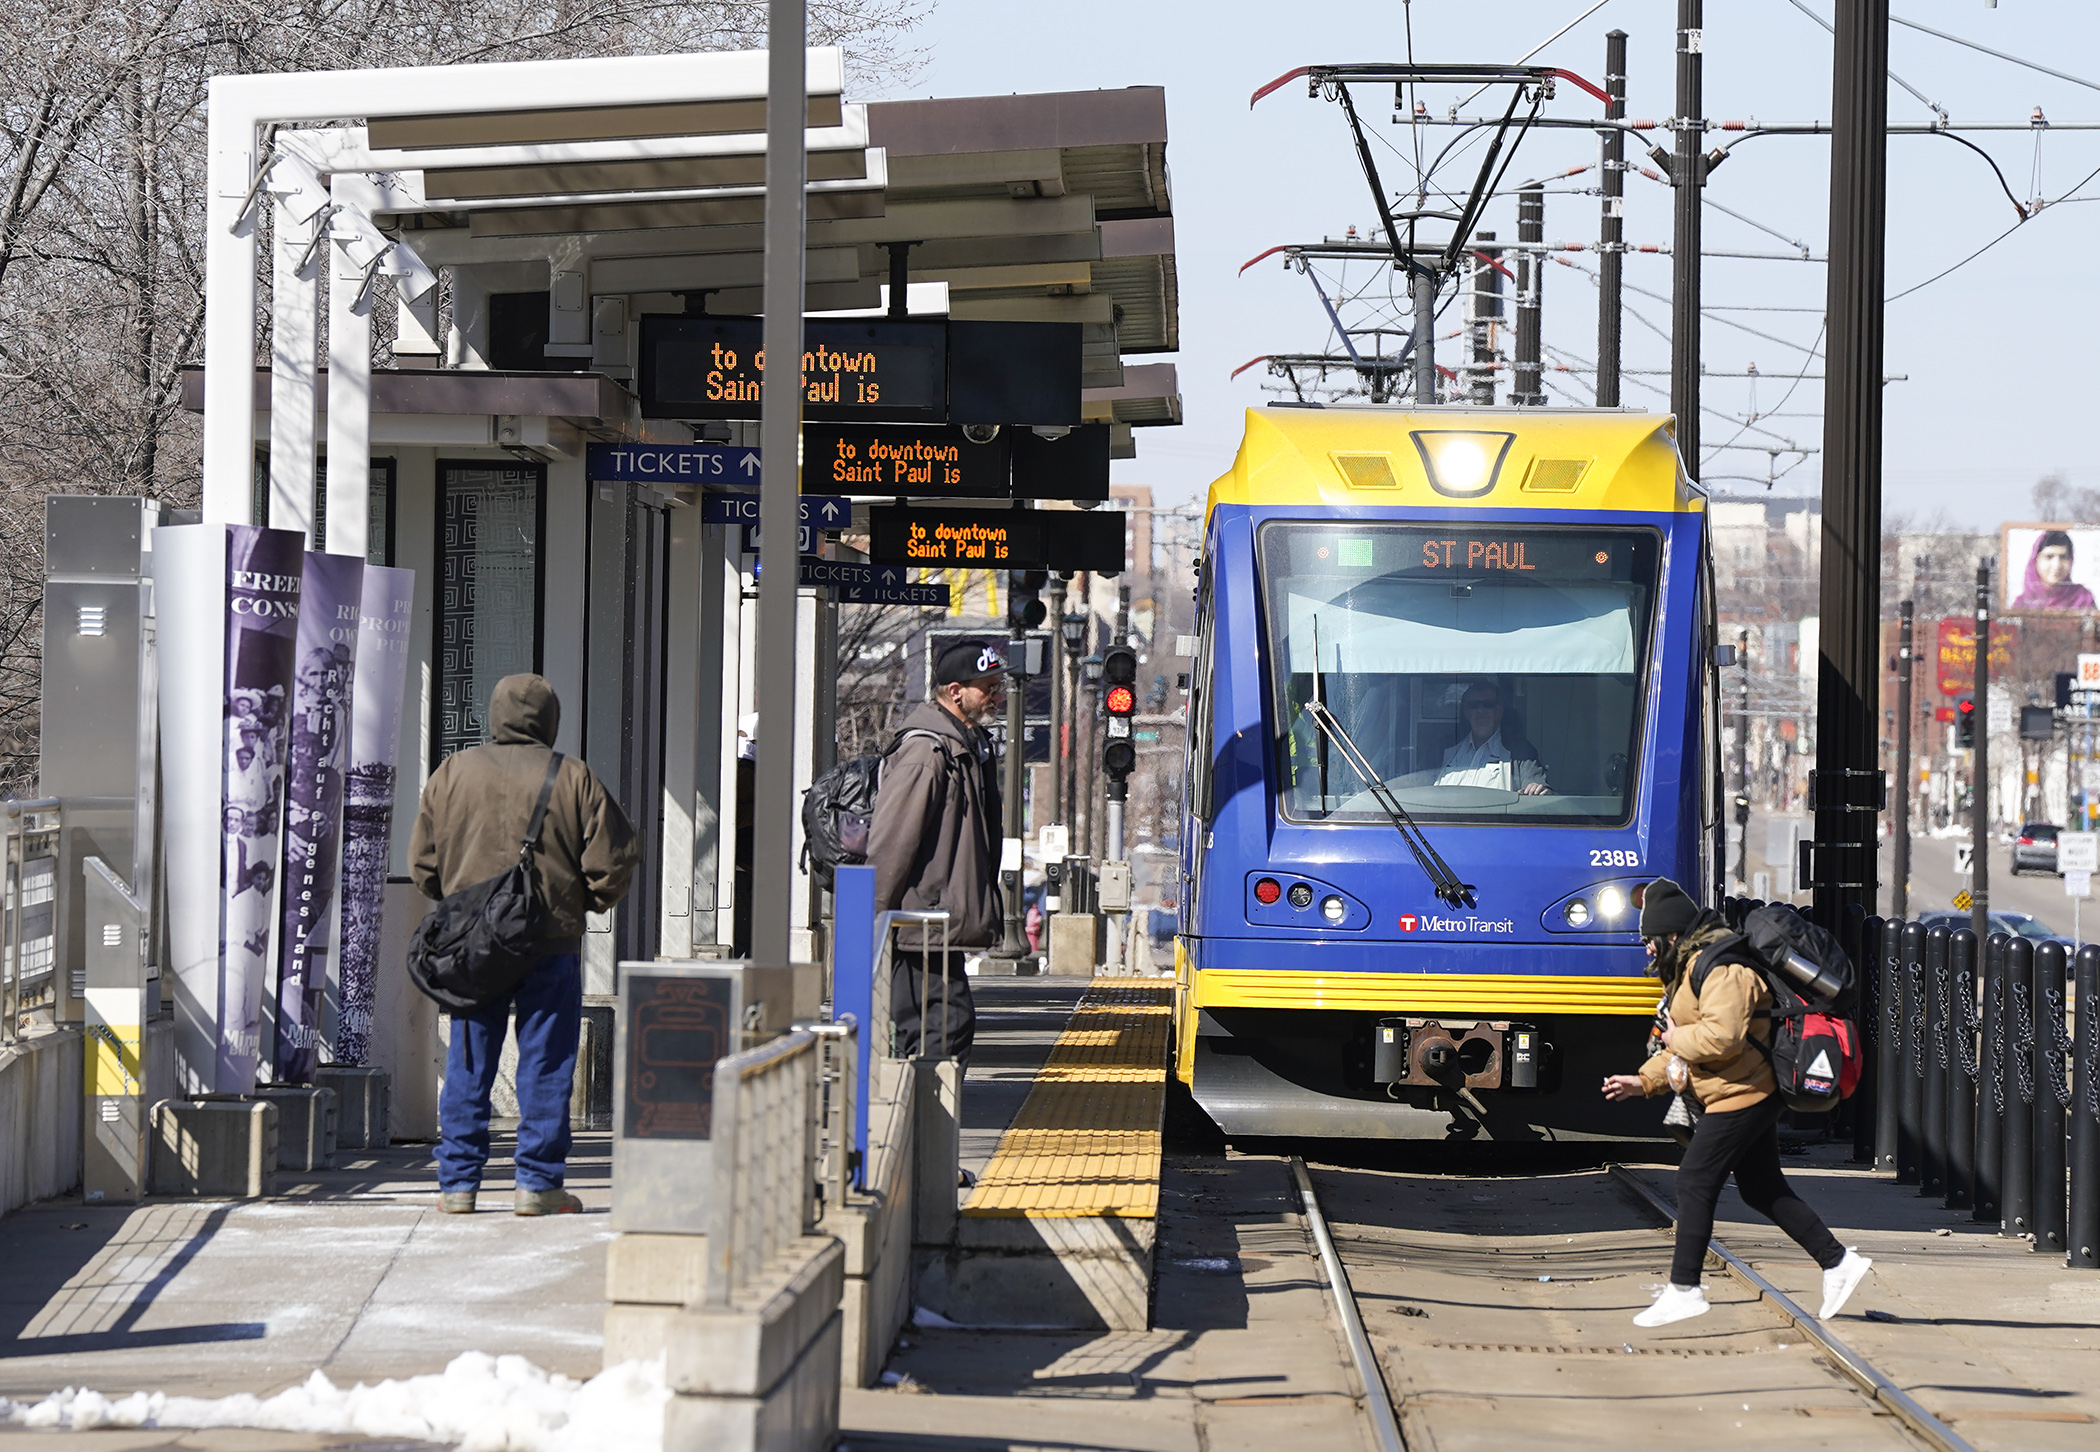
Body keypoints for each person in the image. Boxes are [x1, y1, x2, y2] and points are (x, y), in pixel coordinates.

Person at [411, 674, 637, 1216]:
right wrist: (584, 903)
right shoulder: (573, 776)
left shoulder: (451, 773)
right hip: (549, 941)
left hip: (472, 949)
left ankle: (458, 1186)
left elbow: (423, 864)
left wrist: (465, 906)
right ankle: (537, 1185)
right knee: (547, 1063)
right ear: (549, 719)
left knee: (468, 1059)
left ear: (494, 717)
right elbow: (615, 860)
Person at [1603, 879, 1871, 1327]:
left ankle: (1685, 1289)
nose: (1646, 950)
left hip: (1745, 1092)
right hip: (1732, 1088)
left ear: (1671, 936)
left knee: (1693, 1180)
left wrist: (1674, 1036)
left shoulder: (1725, 968)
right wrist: (1643, 1081)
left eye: (1649, 941)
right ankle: (1838, 1262)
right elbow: (1684, 1044)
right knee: (1762, 1188)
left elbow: (1721, 1037)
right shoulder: (1689, 969)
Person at [866, 638, 1006, 1068]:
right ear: (954, 691)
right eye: (987, 687)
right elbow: (890, 842)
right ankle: (916, 1132)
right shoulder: (926, 754)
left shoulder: (965, 747)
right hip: (918, 924)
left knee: (943, 1028)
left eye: (997, 685)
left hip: (934, 926)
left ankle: (925, 1131)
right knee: (938, 1030)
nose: (996, 695)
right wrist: (873, 919)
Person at [1435, 680, 1549, 794]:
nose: (1480, 710)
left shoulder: (1520, 752)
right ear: (1466, 712)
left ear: (1499, 710)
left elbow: (1538, 790)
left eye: (1488, 704)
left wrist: (1538, 789)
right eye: (1473, 705)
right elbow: (1421, 787)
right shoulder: (1444, 748)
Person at [2013, 529, 2096, 611]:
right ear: (2035, 560)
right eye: (2049, 557)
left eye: (2063, 557)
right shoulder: (2023, 604)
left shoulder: (2083, 599)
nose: (2057, 566)